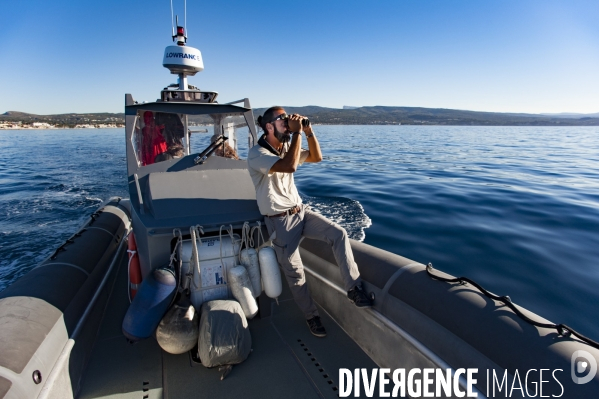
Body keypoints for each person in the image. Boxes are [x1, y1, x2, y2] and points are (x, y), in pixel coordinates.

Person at [247, 106, 373, 338]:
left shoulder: (286, 146)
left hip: (301, 213)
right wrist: (295, 134)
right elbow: (289, 166)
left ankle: (353, 289)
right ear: (268, 126)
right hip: (280, 223)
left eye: (288, 119)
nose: (287, 122)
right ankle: (311, 316)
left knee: (338, 234)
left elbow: (316, 157)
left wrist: (308, 131)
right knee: (296, 275)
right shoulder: (257, 154)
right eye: (282, 120)